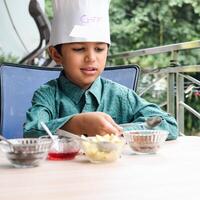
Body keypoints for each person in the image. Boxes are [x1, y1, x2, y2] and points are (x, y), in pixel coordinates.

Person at [23, 0, 178, 140]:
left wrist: (120, 130)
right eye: (78, 49)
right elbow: (31, 132)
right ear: (56, 55)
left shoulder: (121, 96)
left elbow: (168, 124)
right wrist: (77, 124)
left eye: (99, 49)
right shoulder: (47, 95)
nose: (91, 58)